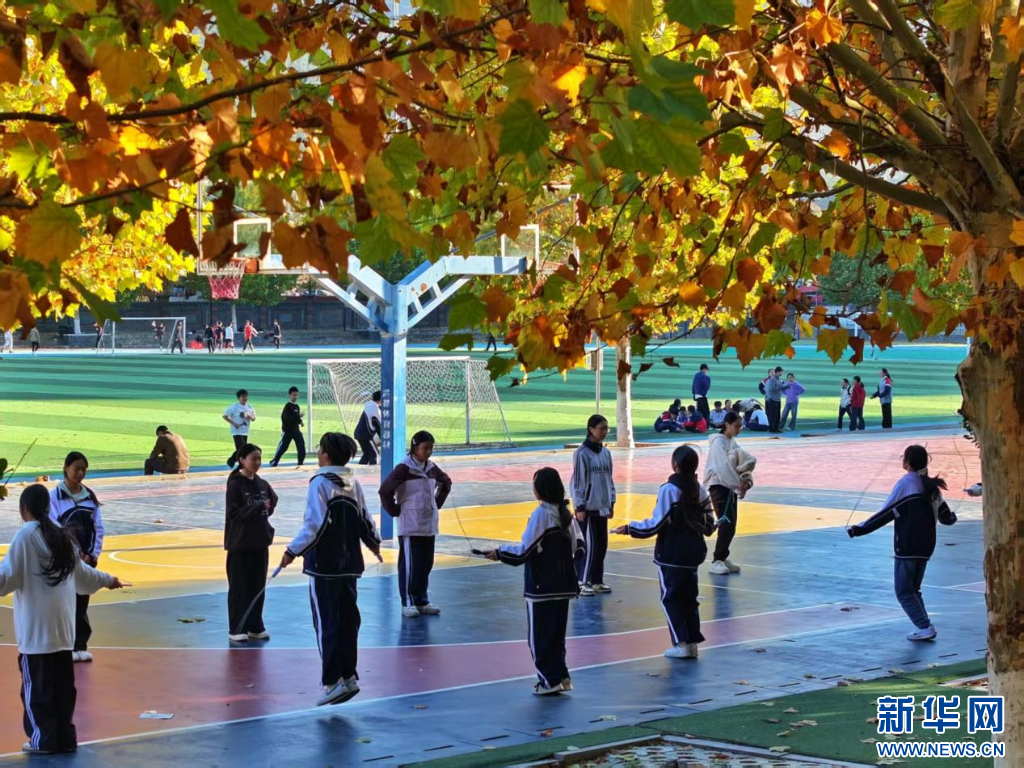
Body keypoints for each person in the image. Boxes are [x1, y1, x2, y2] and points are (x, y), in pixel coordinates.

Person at [1, 484, 128, 756]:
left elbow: (6, 579)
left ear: (24, 509)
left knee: (37, 693)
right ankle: (65, 738)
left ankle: (43, 740)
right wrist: (109, 580)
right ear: (48, 508)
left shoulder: (25, 536)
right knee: (62, 691)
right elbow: (84, 576)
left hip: (36, 635)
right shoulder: (63, 537)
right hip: (63, 635)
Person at [279, 433, 382, 707]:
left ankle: (331, 682)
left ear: (325, 455)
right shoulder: (353, 483)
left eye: (320, 449)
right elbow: (365, 519)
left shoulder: (320, 483)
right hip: (351, 565)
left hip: (323, 565)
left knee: (326, 623)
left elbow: (314, 525)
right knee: (348, 622)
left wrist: (292, 551)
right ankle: (348, 676)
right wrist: (374, 544)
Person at [482, 468, 584, 695]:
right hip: (564, 586)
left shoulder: (541, 514)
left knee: (539, 638)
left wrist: (499, 553)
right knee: (556, 636)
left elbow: (525, 550)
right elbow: (579, 547)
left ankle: (548, 680)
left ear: (540, 490)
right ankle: (561, 676)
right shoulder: (566, 514)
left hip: (542, 586)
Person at [612, 445, 716, 659]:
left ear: (674, 465)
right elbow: (709, 525)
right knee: (689, 599)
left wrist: (629, 528)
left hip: (671, 554)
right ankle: (692, 643)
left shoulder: (669, 489)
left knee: (671, 599)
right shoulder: (700, 489)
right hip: (693, 553)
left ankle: (681, 644)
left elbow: (655, 524)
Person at [847, 445, 956, 640]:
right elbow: (947, 517)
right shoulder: (931, 487)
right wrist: (953, 516)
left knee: (903, 591)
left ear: (908, 462)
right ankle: (924, 624)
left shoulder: (906, 483)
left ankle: (925, 627)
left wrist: (859, 529)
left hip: (908, 545)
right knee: (913, 589)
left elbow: (886, 513)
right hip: (926, 547)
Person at [378, 431, 453, 617]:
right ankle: (408, 602)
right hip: (410, 525)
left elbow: (446, 483)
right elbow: (385, 491)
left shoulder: (432, 468)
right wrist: (395, 511)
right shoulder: (404, 468)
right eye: (425, 448)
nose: (428, 452)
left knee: (425, 564)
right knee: (410, 565)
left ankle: (421, 600)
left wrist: (436, 504)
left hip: (428, 525)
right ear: (414, 448)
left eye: (431, 448)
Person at [48, 452, 104, 663]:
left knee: (81, 604)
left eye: (84, 470)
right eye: (76, 468)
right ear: (66, 468)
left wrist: (92, 554)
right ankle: (65, 647)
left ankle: (80, 645)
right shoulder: (55, 497)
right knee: (64, 604)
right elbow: (54, 527)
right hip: (65, 561)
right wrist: (73, 554)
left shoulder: (90, 497)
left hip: (87, 561)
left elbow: (98, 528)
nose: (80, 473)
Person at [225, 443, 278, 643]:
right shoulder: (235, 485)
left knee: (257, 585)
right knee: (239, 587)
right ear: (242, 460)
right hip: (240, 544)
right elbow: (233, 514)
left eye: (259, 459)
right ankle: (237, 627)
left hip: (259, 542)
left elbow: (272, 501)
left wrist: (266, 510)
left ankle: (255, 625)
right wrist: (257, 508)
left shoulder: (262, 484)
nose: (257, 462)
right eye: (253, 459)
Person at [704, 412, 756, 575]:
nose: (739, 429)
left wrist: (747, 481)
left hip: (729, 486)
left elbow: (743, 462)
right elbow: (723, 467)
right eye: (736, 426)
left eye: (740, 426)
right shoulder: (718, 443)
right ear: (727, 424)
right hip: (719, 486)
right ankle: (717, 561)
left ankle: (723, 556)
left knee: (731, 524)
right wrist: (738, 486)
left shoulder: (733, 442)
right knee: (726, 522)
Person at [571, 414, 616, 596]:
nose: (604, 432)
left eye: (606, 429)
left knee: (601, 545)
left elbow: (609, 479)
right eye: (601, 428)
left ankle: (597, 580)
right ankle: (581, 581)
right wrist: (579, 506)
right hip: (588, 508)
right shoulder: (582, 453)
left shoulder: (606, 453)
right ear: (591, 429)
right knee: (588, 546)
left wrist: (611, 501)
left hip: (602, 506)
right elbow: (578, 482)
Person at [269, 387, 306, 467]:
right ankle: (274, 461)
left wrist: (300, 421)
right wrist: (298, 416)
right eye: (294, 395)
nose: (295, 397)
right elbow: (286, 418)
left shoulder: (297, 406)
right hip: (288, 431)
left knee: (301, 446)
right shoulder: (288, 406)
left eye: (297, 395)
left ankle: (300, 462)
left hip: (296, 430)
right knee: (283, 447)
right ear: (290, 395)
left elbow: (296, 418)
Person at [223, 389, 256, 468]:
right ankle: (240, 464)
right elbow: (225, 416)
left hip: (245, 431)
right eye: (243, 396)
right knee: (242, 449)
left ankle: (231, 460)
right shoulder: (234, 407)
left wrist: (250, 417)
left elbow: (254, 418)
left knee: (242, 449)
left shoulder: (249, 407)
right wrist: (234, 424)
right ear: (238, 398)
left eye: (246, 396)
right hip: (237, 431)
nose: (245, 398)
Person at [354, 391, 383, 465]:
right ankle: (372, 471)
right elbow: (378, 425)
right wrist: (383, 438)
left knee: (367, 453)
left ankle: (360, 469)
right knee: (375, 454)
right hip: (366, 436)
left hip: (359, 434)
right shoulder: (375, 409)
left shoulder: (370, 406)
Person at [764, 367, 784, 432]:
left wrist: (786, 387)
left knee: (777, 415)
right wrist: (780, 386)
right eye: (781, 372)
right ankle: (772, 428)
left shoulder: (779, 379)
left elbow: (779, 388)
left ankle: (776, 428)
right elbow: (771, 389)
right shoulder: (772, 380)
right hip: (773, 399)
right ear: (777, 372)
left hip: (778, 399)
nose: (782, 373)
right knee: (773, 415)